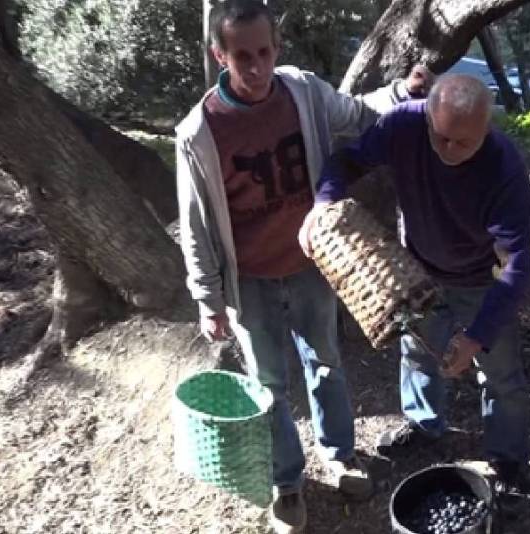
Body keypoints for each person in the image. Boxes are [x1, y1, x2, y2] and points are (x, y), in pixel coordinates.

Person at [174, 1, 430, 532]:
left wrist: (403, 93)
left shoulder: (303, 91)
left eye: (264, 52)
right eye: (242, 55)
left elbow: (357, 113)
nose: (256, 66)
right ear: (219, 54)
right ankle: (287, 482)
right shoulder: (199, 132)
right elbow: (196, 225)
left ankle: (339, 455)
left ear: (277, 47)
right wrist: (208, 298)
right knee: (270, 386)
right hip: (251, 283)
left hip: (312, 266)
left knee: (327, 365)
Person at [299, 74, 530, 500]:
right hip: (417, 269)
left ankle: (508, 459)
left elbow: (514, 267)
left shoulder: (505, 169)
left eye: (463, 143)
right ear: (427, 115)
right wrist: (324, 202)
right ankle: (425, 426)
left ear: (487, 128)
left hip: (480, 278)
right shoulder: (404, 126)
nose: (448, 151)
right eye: (439, 137)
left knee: (500, 375)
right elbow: (346, 160)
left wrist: (476, 336)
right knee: (419, 356)